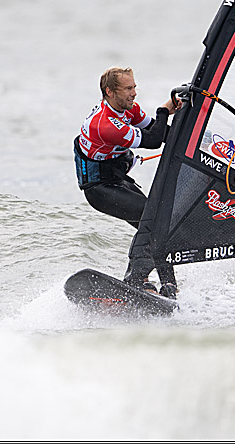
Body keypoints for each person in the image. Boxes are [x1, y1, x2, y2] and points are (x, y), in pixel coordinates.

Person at [74, 66, 183, 298]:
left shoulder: (128, 110)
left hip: (119, 180)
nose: (134, 93)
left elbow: (159, 131)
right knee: (154, 219)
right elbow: (154, 140)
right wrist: (164, 110)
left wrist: (194, 134)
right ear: (110, 92)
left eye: (134, 87)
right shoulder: (105, 124)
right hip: (100, 189)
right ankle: (135, 278)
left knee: (160, 226)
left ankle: (169, 285)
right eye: (128, 88)